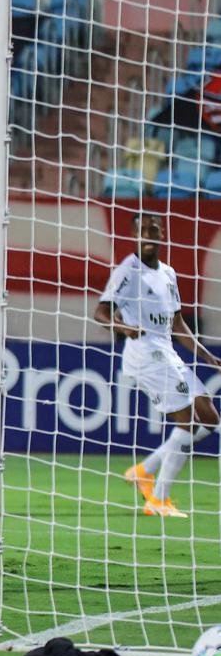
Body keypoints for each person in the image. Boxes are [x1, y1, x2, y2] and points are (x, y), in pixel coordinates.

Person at [94, 211, 221, 517]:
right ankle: (158, 500)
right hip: (145, 355)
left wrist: (206, 355)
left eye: (154, 230)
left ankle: (144, 470)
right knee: (190, 422)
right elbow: (100, 312)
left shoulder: (168, 274)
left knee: (210, 419)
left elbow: (178, 324)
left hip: (166, 352)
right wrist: (124, 328)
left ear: (162, 233)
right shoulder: (128, 270)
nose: (148, 236)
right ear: (134, 235)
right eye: (142, 231)